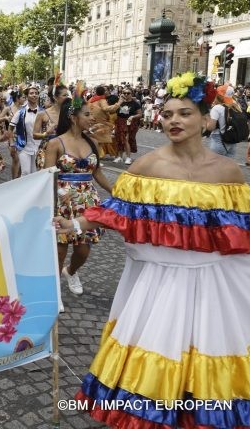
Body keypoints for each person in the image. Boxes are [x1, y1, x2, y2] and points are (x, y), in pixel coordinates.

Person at [54, 73, 249, 428]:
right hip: (160, 281)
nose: (174, 120)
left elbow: (240, 230)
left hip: (215, 283)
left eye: (185, 113)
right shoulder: (148, 166)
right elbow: (119, 210)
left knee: (211, 353)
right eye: (168, 113)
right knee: (159, 352)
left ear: (206, 119)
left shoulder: (228, 171)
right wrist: (77, 225)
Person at [45, 94, 113, 300]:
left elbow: (97, 172)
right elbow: (47, 177)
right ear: (73, 117)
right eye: (86, 114)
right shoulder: (55, 144)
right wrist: (53, 202)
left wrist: (116, 191)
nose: (91, 118)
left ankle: (71, 272)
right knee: (59, 251)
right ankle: (54, 295)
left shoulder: (92, 141)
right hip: (61, 203)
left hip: (87, 203)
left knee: (83, 251)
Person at [34, 84, 70, 169]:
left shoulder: (70, 114)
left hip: (64, 151)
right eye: (64, 95)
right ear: (55, 97)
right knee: (47, 178)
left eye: (67, 95)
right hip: (46, 151)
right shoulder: (42, 114)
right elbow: (34, 135)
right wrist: (46, 134)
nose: (67, 97)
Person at [10, 86, 42, 176]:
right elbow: (10, 127)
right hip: (23, 146)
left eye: (36, 93)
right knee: (25, 172)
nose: (34, 95)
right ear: (27, 96)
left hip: (38, 147)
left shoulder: (43, 112)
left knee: (35, 173)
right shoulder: (21, 112)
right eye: (31, 93)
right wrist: (12, 143)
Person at [206, 83, 241, 158]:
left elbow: (210, 127)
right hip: (232, 142)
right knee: (227, 168)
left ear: (218, 96)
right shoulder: (236, 106)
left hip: (219, 141)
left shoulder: (217, 108)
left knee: (214, 167)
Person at [113, 87, 142, 164]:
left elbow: (140, 114)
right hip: (119, 122)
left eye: (128, 93)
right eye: (124, 93)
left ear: (131, 94)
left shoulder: (135, 103)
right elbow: (114, 111)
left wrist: (133, 116)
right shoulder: (120, 102)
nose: (126, 94)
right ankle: (119, 156)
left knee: (126, 139)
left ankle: (128, 157)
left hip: (129, 122)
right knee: (119, 139)